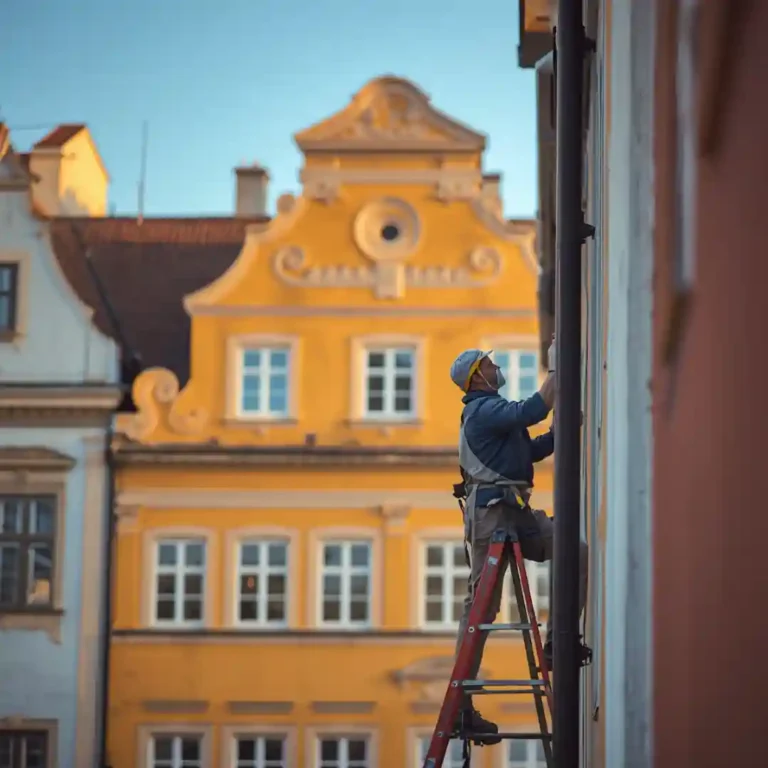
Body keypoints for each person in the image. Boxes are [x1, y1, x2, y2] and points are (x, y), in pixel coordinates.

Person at [447, 346, 589, 741]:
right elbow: (532, 410)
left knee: (573, 550)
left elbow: (531, 449)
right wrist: (561, 368)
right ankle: (462, 706)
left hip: (515, 510)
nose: (497, 368)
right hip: (492, 515)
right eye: (490, 364)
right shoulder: (482, 410)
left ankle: (558, 643)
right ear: (478, 377)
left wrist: (563, 432)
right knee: (482, 608)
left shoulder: (494, 414)